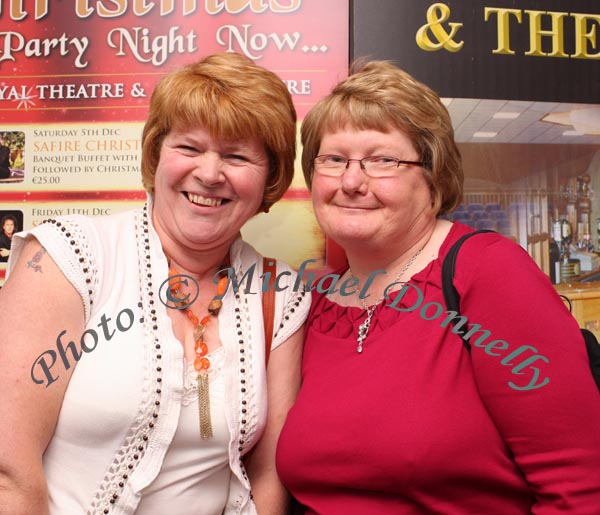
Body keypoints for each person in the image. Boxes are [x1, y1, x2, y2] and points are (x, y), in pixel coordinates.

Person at [276, 60, 600, 514]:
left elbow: (580, 489)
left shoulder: (487, 272)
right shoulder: (311, 302)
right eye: (333, 159)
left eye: (382, 160)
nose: (351, 181)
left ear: (433, 178)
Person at [0, 53, 310, 515]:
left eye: (236, 156)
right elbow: (9, 470)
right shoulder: (69, 255)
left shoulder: (279, 291)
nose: (208, 173)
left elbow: (268, 477)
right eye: (189, 148)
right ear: (156, 155)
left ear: (270, 178)